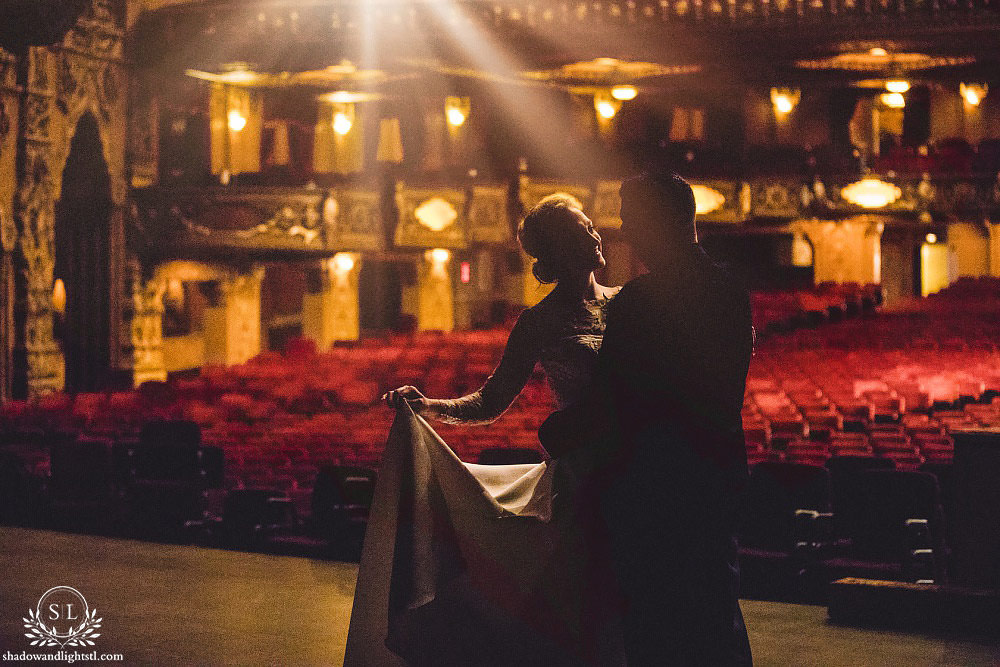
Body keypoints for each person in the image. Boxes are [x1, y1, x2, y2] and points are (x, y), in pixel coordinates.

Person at [345, 194, 624, 666]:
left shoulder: (627, 303)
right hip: (581, 479)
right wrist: (430, 405)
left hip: (633, 466)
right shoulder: (538, 322)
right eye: (583, 229)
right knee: (587, 602)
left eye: (591, 226)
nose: (596, 235)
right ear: (560, 249)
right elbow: (491, 401)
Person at [595, 171, 754, 665]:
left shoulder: (636, 304)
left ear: (654, 224)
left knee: (654, 626)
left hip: (654, 487)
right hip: (714, 474)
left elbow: (614, 404)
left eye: (630, 220)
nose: (626, 231)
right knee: (713, 616)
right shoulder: (731, 290)